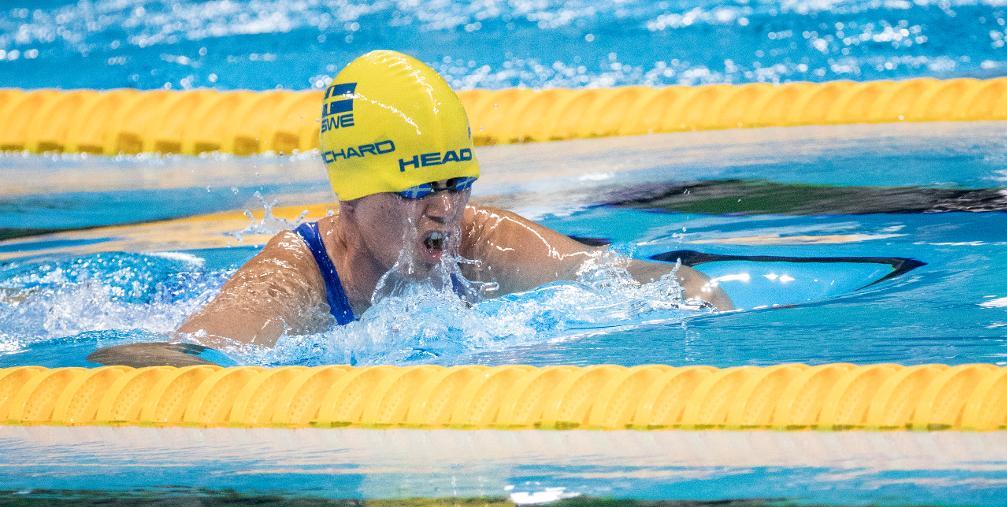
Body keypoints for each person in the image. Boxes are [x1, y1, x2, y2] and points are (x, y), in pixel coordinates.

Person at [91, 50, 730, 366]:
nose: (445, 212)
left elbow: (669, 284)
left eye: (458, 184)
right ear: (351, 192)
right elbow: (154, 363)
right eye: (418, 189)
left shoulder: (485, 244)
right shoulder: (292, 285)